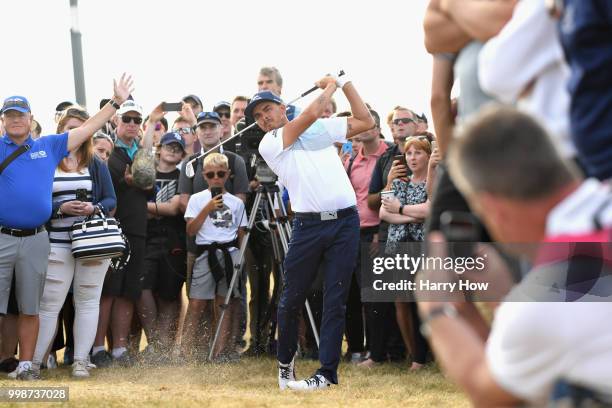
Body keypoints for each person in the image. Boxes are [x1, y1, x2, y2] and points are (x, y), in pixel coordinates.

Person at [420, 105, 612, 406]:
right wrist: (507, 298)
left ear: (493, 209)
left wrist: (436, 308)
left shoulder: (548, 299)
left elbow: (491, 392)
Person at [0, 74, 133, 380]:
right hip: (36, 238)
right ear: (3, 121)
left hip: (67, 240)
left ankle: (63, 362)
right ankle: (28, 363)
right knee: (41, 305)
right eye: (10, 116)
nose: (16, 120)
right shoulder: (9, 147)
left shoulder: (49, 146)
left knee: (60, 304)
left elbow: (89, 128)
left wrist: (115, 103)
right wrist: (60, 208)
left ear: (31, 118)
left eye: (21, 115)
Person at [247, 72, 374, 390]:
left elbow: (365, 121)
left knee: (336, 299)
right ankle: (286, 367)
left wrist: (346, 84)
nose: (264, 119)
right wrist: (329, 85)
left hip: (346, 222)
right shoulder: (270, 142)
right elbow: (312, 112)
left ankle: (327, 374)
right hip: (308, 226)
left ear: (281, 107)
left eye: (268, 111)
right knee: (291, 298)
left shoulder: (317, 129)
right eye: (258, 116)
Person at [32, 106, 116, 378]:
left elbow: (111, 201)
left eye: (83, 127)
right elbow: (35, 202)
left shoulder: (96, 163)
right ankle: (34, 362)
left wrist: (93, 209)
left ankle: (81, 360)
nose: (78, 133)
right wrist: (61, 208)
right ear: (61, 131)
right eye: (71, 128)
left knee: (88, 301)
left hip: (92, 241)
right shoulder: (46, 162)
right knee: (49, 304)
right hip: (56, 243)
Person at [93, 98, 149, 367]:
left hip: (138, 230)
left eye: (137, 120)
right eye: (127, 119)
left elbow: (149, 187)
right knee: (107, 292)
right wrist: (127, 181)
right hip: (111, 230)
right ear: (116, 121)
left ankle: (119, 349)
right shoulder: (108, 152)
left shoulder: (143, 153)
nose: (131, 124)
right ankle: (96, 348)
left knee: (128, 292)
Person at [183, 153, 247, 361]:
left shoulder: (236, 203)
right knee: (196, 303)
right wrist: (207, 208)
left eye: (220, 174)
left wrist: (241, 259)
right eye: (210, 175)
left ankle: (220, 352)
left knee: (224, 304)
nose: (216, 179)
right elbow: (191, 230)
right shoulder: (197, 199)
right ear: (204, 176)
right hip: (205, 254)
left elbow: (241, 234)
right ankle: (185, 351)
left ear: (228, 174)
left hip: (229, 254)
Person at [139, 132, 187, 361]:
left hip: (173, 239)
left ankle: (165, 347)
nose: (173, 151)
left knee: (169, 293)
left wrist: (145, 207)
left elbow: (175, 209)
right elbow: (159, 205)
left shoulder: (182, 176)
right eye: (169, 146)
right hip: (147, 238)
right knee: (143, 288)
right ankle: (155, 343)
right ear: (160, 148)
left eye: (178, 148)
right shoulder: (148, 172)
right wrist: (158, 207)